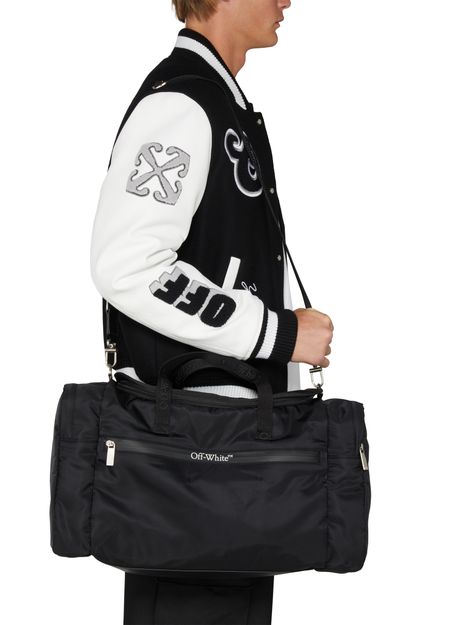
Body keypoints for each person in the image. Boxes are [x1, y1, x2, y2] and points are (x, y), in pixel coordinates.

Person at [90, 0, 334, 622]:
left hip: (221, 449)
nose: (287, 1)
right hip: (191, 449)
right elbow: (127, 265)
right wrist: (278, 334)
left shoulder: (218, 103)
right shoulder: (181, 106)